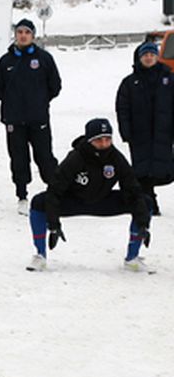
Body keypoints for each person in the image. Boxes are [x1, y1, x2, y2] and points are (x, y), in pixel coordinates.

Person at [26, 118, 153, 273]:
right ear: (89, 140)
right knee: (39, 202)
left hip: (103, 201)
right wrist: (53, 225)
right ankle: (40, 256)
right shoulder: (76, 157)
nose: (104, 144)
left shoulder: (116, 158)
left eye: (108, 139)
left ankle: (132, 258)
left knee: (145, 203)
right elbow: (55, 190)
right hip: (74, 201)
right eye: (99, 140)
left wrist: (142, 223)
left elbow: (132, 188)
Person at [0, 19, 61, 215]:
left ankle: (54, 193)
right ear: (15, 35)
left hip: (38, 119)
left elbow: (55, 86)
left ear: (33, 36)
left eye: (27, 32)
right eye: (20, 31)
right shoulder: (5, 61)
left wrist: (39, 101)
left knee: (45, 157)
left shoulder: (44, 59)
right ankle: (22, 196)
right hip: (14, 121)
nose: (23, 35)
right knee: (18, 159)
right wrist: (13, 104)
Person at [115, 42, 173, 216]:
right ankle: (149, 202)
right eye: (145, 55)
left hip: (163, 132)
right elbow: (122, 108)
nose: (149, 58)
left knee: (163, 169)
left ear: (157, 57)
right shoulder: (130, 82)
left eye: (152, 55)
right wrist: (126, 131)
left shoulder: (169, 79)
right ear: (140, 58)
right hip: (139, 133)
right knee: (142, 171)